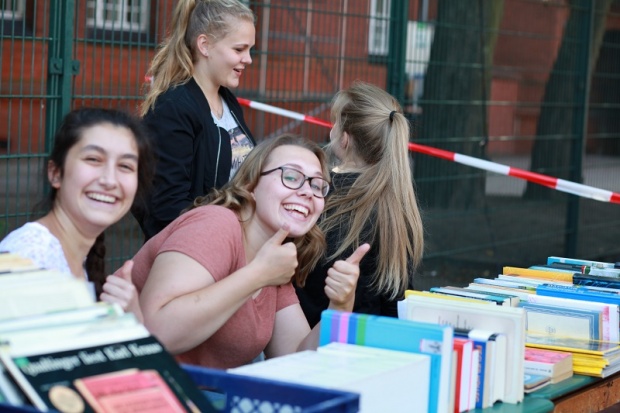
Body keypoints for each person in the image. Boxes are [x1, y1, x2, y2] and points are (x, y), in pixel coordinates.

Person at [126, 134, 370, 369]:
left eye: (317, 185)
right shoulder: (216, 223)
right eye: (291, 176)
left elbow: (298, 362)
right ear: (250, 184)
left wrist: (339, 306)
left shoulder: (273, 258)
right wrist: (258, 275)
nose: (308, 192)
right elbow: (156, 333)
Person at [0, 107, 155, 321]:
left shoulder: (74, 258)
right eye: (93, 159)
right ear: (55, 173)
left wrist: (130, 318)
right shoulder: (30, 259)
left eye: (125, 166)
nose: (109, 180)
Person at [295, 81, 425, 327]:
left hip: (313, 334)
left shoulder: (317, 193)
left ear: (344, 139)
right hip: (370, 337)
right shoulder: (398, 205)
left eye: (335, 122)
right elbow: (396, 299)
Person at [137, 0, 257, 241]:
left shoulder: (228, 101)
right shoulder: (173, 109)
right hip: (196, 249)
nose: (248, 59)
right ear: (205, 45)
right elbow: (166, 207)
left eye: (250, 50)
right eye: (239, 49)